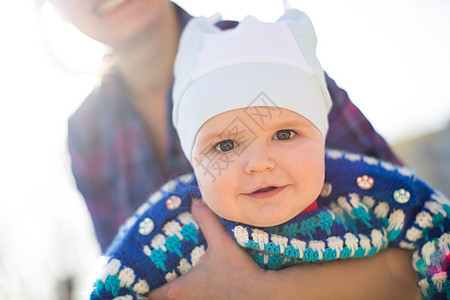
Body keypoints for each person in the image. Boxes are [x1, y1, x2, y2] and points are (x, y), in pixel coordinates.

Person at [42, 0, 418, 298]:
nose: (258, 163)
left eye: (284, 136)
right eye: (223, 144)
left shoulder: (273, 55)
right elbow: (120, 271)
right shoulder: (87, 133)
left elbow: (420, 251)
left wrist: (266, 293)